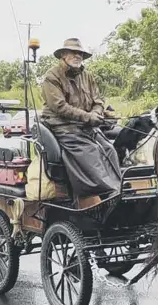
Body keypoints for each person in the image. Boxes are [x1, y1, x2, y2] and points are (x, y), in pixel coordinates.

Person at [40, 38, 121, 199]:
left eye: (80, 53)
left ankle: (118, 187)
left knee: (109, 149)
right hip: (63, 127)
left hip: (87, 126)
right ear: (63, 54)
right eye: (73, 52)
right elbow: (60, 107)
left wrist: (97, 113)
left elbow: (98, 100)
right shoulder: (52, 76)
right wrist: (88, 117)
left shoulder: (87, 76)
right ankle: (106, 193)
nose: (77, 56)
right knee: (91, 151)